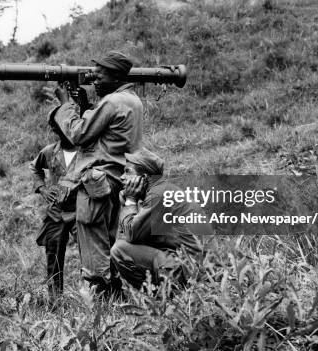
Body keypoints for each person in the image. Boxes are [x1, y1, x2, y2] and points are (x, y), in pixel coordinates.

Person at [51, 50, 143, 296]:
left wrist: (66, 105)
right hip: (116, 180)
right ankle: (115, 296)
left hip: (97, 184)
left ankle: (102, 299)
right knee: (110, 241)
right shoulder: (131, 100)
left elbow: (79, 135)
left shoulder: (112, 102)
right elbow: (106, 134)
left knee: (93, 244)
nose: (95, 80)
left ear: (114, 76)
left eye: (100, 76)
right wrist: (87, 107)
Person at [111, 148, 213, 290]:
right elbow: (132, 236)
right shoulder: (161, 190)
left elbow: (130, 236)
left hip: (192, 271)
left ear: (144, 178)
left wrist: (130, 201)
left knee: (119, 250)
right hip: (194, 267)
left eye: (127, 172)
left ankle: (157, 299)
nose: (121, 177)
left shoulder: (159, 195)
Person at [29, 111, 78, 302]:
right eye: (58, 127)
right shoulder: (49, 151)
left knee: (91, 257)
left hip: (81, 212)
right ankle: (55, 300)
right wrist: (42, 188)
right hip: (56, 212)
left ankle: (96, 299)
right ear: (55, 129)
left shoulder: (87, 151)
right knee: (53, 257)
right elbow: (34, 167)